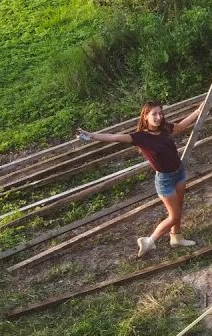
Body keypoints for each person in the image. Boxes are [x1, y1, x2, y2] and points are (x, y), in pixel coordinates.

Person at [77, 101, 202, 257]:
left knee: (179, 206)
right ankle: (149, 241)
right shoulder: (141, 137)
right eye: (154, 114)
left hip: (179, 173)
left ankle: (176, 237)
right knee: (174, 215)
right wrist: (92, 135)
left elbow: (181, 126)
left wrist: (197, 112)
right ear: (145, 116)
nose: (158, 117)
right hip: (165, 180)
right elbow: (115, 137)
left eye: (160, 113)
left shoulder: (164, 128)